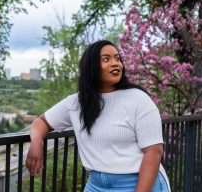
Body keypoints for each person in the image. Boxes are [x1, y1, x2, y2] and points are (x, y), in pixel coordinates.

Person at [25, 40, 171, 192]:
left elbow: (153, 152)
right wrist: (36, 142)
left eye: (117, 58)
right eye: (106, 59)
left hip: (139, 183)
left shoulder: (138, 99)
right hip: (96, 185)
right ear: (91, 67)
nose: (115, 63)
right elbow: (41, 121)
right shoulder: (76, 103)